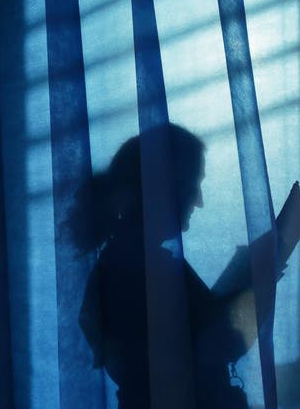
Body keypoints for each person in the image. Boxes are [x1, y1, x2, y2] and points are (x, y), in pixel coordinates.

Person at [71, 124, 251, 408]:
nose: (199, 201)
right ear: (164, 186)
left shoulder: (122, 262)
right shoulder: (145, 269)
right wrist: (259, 285)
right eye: (193, 184)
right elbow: (222, 343)